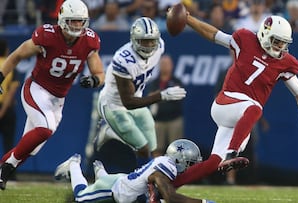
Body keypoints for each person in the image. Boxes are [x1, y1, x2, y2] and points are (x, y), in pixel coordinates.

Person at [172, 12, 298, 188]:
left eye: (284, 42)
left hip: (241, 117)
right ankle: (231, 154)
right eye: (277, 40)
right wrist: (188, 19)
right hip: (226, 102)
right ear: (265, 34)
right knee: (256, 109)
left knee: (212, 163)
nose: (281, 46)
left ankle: (166, 186)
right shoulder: (245, 39)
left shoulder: (285, 63)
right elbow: (213, 34)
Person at [0, 0, 105, 190]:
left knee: (31, 148)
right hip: (36, 89)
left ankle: (3, 166)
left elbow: (100, 73)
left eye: (80, 21)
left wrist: (94, 81)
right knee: (45, 128)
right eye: (73, 21)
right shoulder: (47, 36)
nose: (77, 25)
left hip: (58, 100)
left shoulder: (89, 41)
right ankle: (6, 168)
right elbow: (16, 55)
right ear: (63, 20)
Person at [96, 17, 186, 160]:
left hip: (136, 100)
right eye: (144, 41)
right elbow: (128, 102)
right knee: (143, 149)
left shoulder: (160, 47)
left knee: (153, 146)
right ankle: (143, 179)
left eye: (152, 40)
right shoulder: (124, 60)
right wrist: (161, 96)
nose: (149, 45)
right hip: (114, 106)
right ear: (134, 39)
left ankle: (114, 134)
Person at [54, 139, 215, 203]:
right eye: (189, 163)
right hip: (112, 189)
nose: (189, 167)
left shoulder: (165, 164)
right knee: (80, 197)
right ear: (179, 159)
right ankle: (74, 164)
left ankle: (100, 171)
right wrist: (202, 202)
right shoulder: (168, 166)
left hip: (123, 184)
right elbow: (170, 196)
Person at [147, 54, 185, 157]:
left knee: (176, 150)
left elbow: (178, 96)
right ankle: (157, 170)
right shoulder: (154, 82)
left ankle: (175, 171)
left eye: (167, 64)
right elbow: (150, 97)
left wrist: (160, 96)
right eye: (163, 64)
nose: (165, 66)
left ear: (171, 65)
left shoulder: (176, 81)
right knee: (157, 148)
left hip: (174, 119)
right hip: (158, 120)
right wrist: (166, 95)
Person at [0, 39, 20, 156]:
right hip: (6, 110)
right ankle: (8, 172)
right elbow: (11, 91)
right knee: (8, 143)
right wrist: (2, 112)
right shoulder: (10, 66)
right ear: (6, 50)